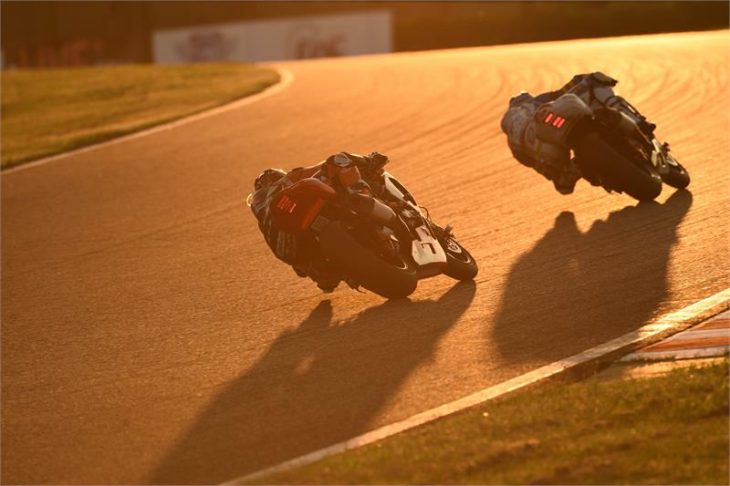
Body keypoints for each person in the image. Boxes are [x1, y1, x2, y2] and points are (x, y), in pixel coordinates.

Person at [248, 151, 391, 292]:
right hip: (301, 243)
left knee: (322, 275)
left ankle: (330, 273)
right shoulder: (287, 180)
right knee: (338, 159)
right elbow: (321, 166)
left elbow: (298, 269)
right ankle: (369, 165)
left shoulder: (264, 219)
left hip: (289, 252)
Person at [500, 71, 656, 194]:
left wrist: (562, 173)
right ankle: (639, 124)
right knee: (597, 86)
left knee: (564, 178)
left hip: (552, 145)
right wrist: (587, 78)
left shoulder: (516, 147)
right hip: (557, 132)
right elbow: (562, 92)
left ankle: (595, 173)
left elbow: (562, 186)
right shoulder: (533, 103)